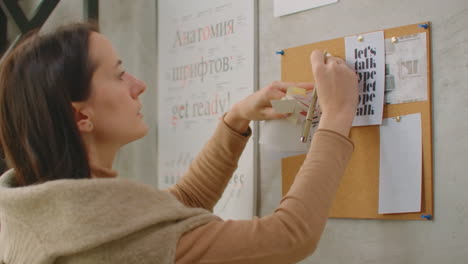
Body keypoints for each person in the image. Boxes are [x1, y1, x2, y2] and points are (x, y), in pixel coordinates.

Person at [0, 23, 358, 264]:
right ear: (81, 117)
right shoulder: (99, 238)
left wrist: (236, 120)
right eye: (120, 74)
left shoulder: (40, 213)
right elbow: (289, 237)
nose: (139, 85)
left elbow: (174, 214)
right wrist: (337, 115)